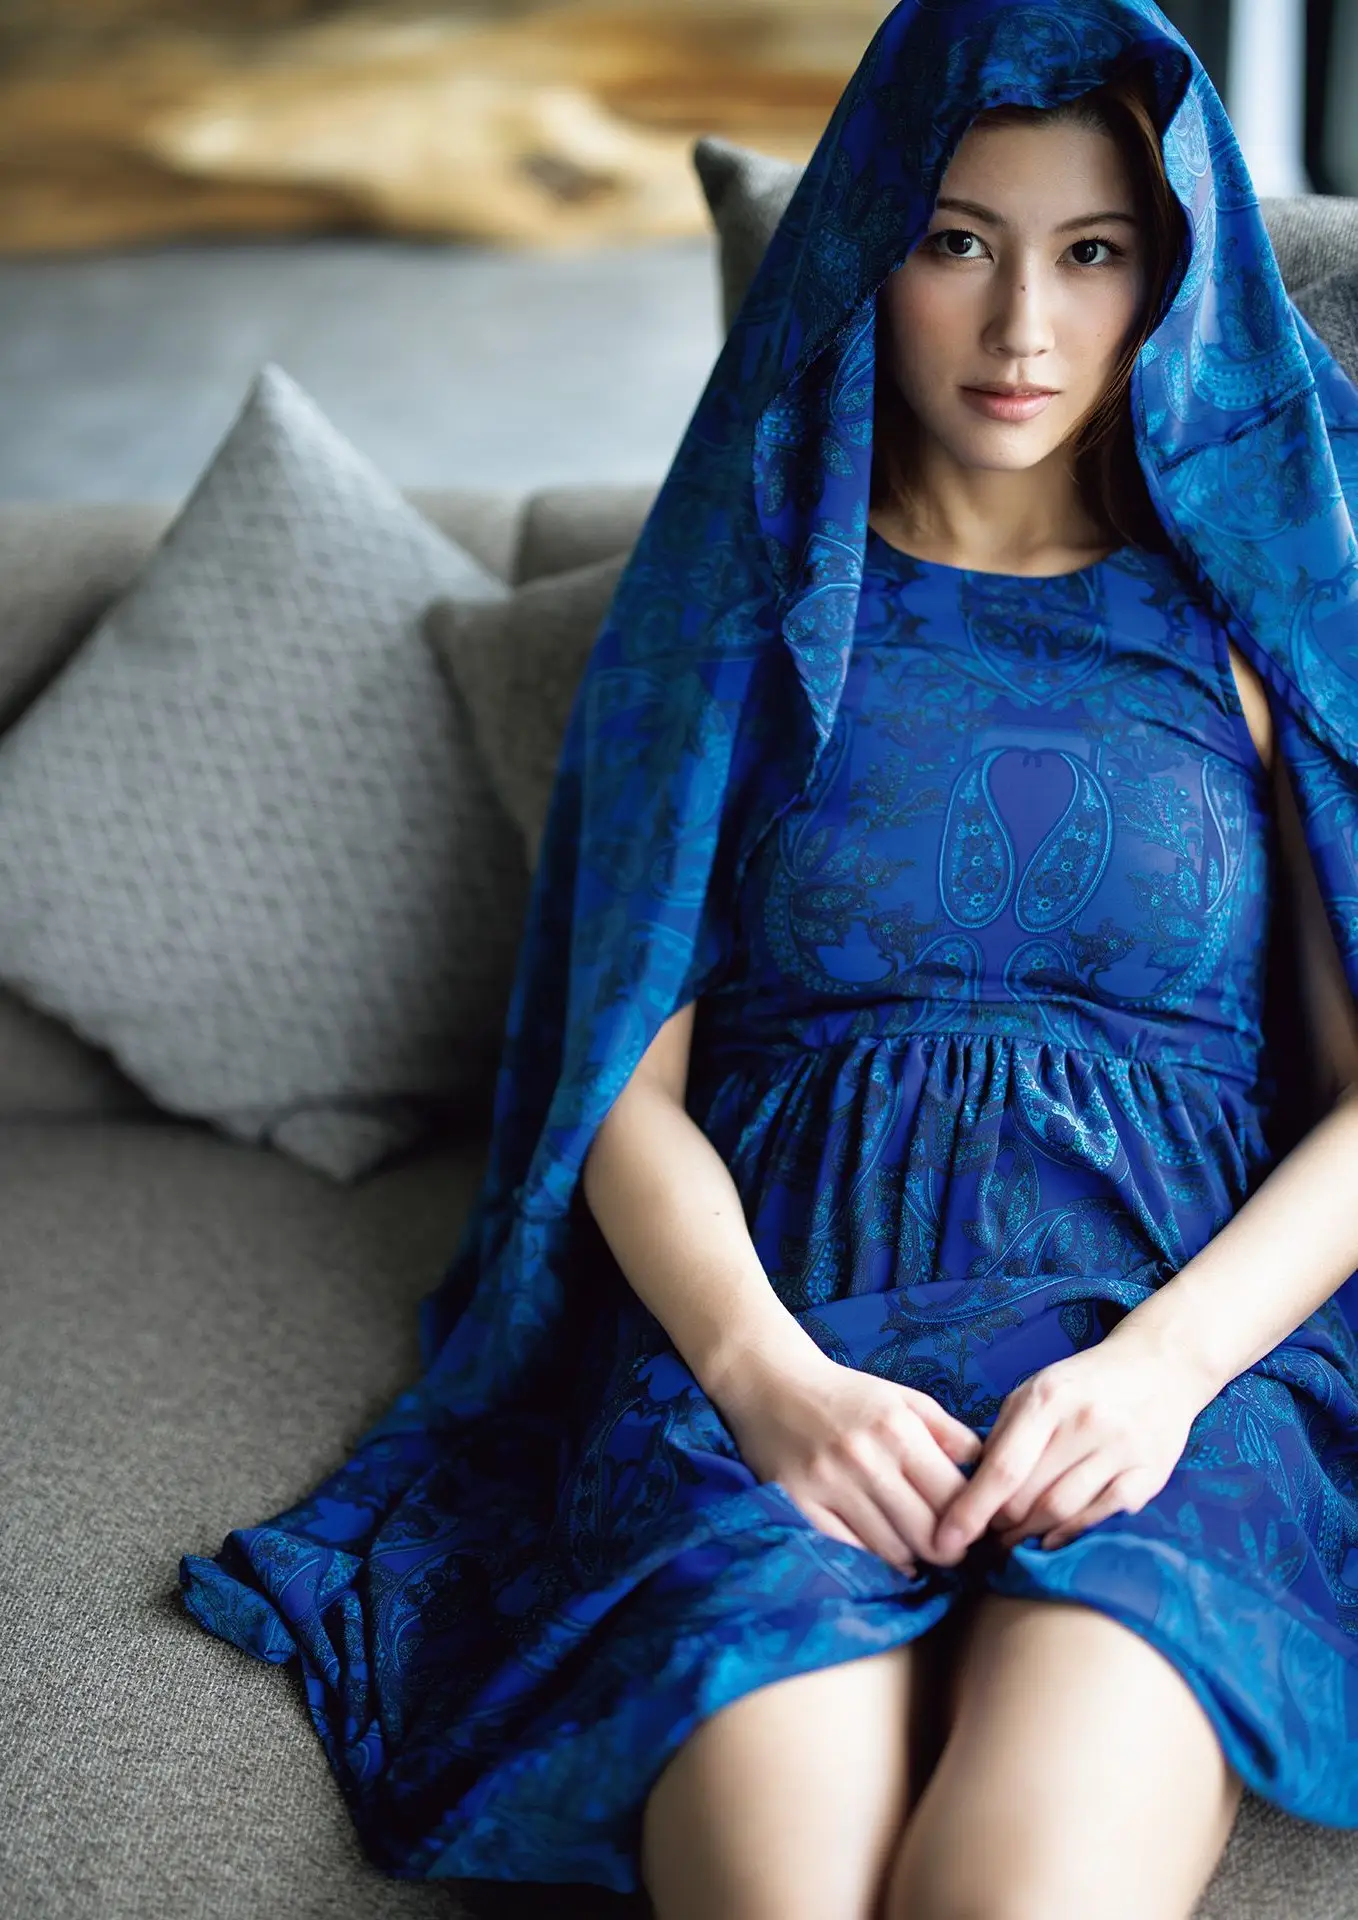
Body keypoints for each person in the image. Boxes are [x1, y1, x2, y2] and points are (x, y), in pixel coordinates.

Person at [179, 3, 1358, 1917]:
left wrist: (1161, 1372)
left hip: (1165, 1368)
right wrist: (765, 1377)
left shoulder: (1257, 616)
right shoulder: (743, 601)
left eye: (1090, 253)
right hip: (795, 1334)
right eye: (956, 241)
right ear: (868, 246)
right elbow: (616, 1085)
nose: (1021, 327)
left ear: (1170, 277)